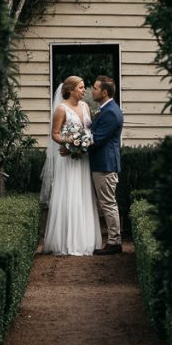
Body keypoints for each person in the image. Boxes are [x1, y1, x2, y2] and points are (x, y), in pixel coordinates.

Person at [39, 76, 102, 255]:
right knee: (69, 195)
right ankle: (66, 242)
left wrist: (82, 144)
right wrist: (70, 144)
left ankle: (85, 240)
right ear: (71, 90)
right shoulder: (61, 109)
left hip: (82, 159)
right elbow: (55, 134)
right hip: (67, 160)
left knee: (83, 195)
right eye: (81, 88)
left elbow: (87, 131)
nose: (84, 90)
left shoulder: (85, 107)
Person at [89, 76, 124, 256]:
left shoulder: (110, 112)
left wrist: (73, 143)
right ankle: (113, 240)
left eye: (95, 88)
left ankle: (114, 242)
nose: (92, 91)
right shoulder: (106, 109)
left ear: (104, 92)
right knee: (106, 203)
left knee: (108, 204)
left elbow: (97, 139)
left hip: (105, 164)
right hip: (101, 163)